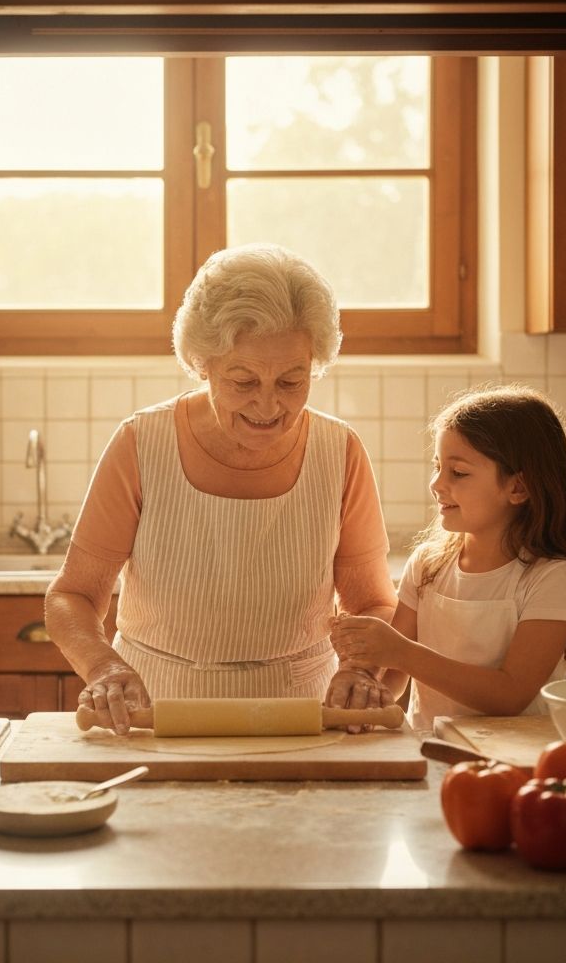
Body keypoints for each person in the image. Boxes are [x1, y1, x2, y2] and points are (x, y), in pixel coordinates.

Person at [45, 243, 398, 734]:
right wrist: (103, 667)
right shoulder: (141, 443)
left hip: (300, 715)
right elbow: (73, 596)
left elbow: (372, 604)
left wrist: (359, 670)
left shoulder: (339, 452)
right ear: (202, 363)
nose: (269, 405)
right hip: (153, 712)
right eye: (244, 380)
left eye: (292, 382)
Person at [331, 384, 566, 731]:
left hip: (514, 763)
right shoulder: (428, 565)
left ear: (518, 488)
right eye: (437, 466)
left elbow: (511, 694)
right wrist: (364, 682)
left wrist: (399, 651)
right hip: (430, 754)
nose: (436, 483)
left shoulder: (552, 577)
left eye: (458, 472)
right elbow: (394, 674)